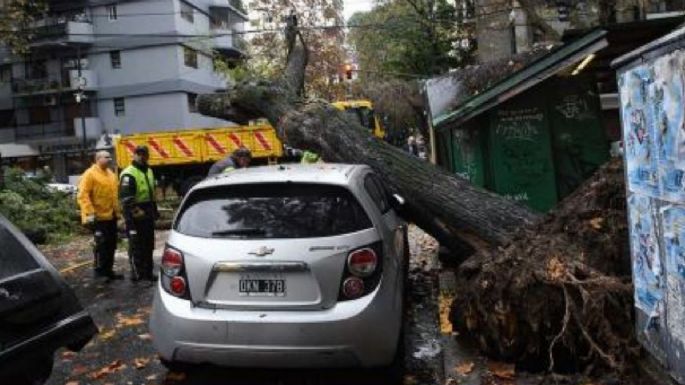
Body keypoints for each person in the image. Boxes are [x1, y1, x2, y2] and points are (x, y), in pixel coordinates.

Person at [77, 151, 123, 282]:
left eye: (110, 157)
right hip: (98, 218)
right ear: (98, 159)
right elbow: (83, 195)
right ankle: (100, 272)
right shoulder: (90, 174)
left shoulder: (111, 174)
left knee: (111, 245)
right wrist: (90, 213)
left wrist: (118, 213)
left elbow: (114, 196)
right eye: (106, 157)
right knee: (101, 246)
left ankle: (109, 271)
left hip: (111, 216)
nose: (109, 159)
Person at [119, 145, 158, 282]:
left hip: (147, 211)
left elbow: (152, 193)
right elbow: (126, 198)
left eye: (144, 154)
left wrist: (154, 212)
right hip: (134, 214)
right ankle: (138, 274)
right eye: (139, 154)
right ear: (134, 155)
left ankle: (148, 272)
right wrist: (137, 213)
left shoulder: (149, 170)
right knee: (137, 244)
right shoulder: (128, 173)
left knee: (148, 244)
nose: (142, 157)